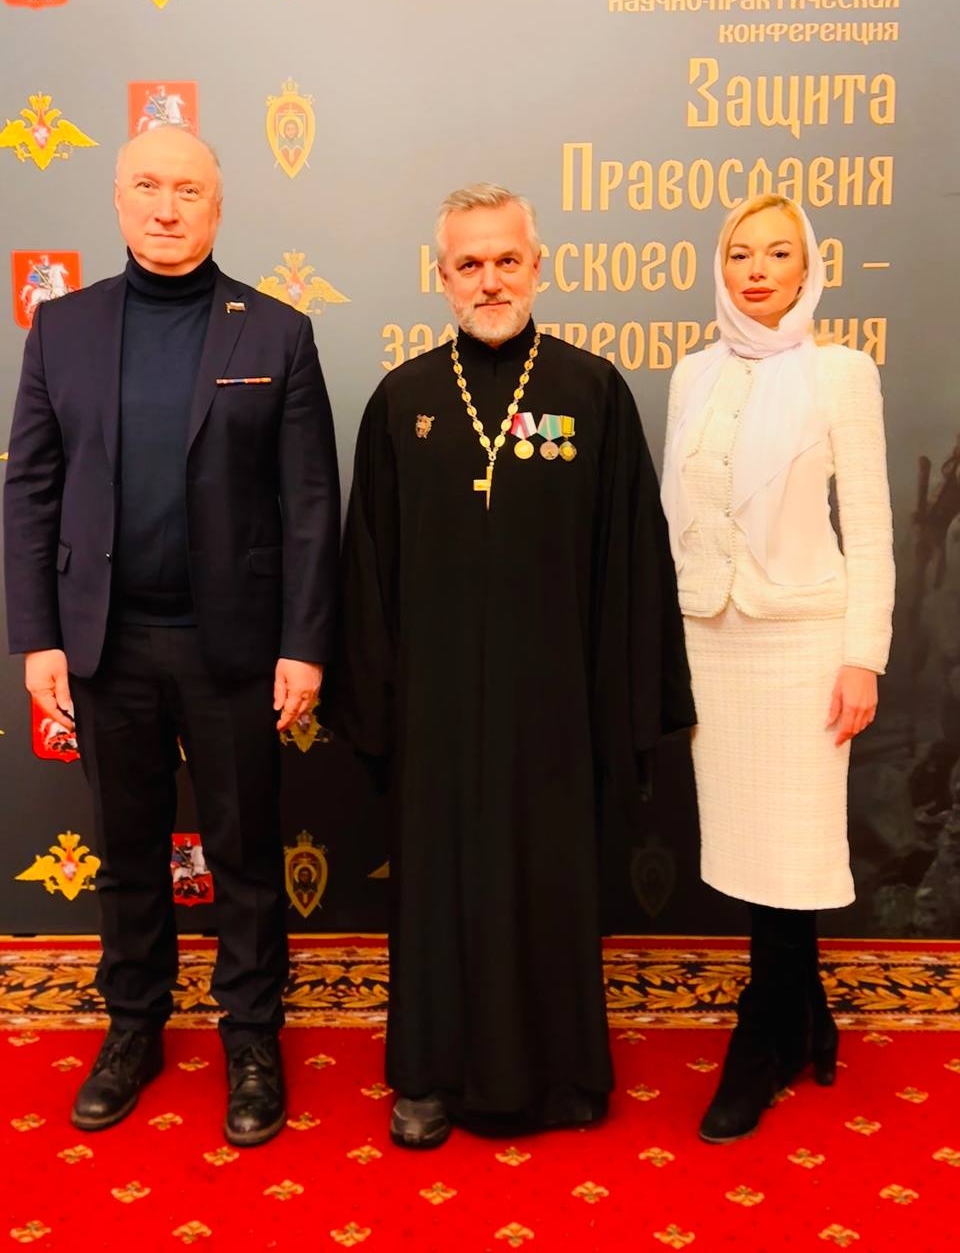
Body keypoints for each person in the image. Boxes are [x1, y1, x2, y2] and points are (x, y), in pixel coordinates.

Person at [326, 183, 694, 1148]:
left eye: (506, 260)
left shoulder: (592, 390)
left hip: (556, 706)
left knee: (551, 880)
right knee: (438, 889)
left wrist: (623, 707)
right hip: (437, 713)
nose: (489, 281)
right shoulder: (402, 399)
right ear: (440, 276)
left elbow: (631, 562)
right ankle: (428, 1076)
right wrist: (380, 709)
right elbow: (367, 570)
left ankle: (563, 1074)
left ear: (539, 265)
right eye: (469, 264)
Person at [3, 126, 340, 1146]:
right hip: (104, 643)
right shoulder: (61, 328)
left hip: (232, 647)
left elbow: (309, 506)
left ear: (217, 205)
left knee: (244, 854)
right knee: (127, 853)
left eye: (187, 189)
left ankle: (252, 1037)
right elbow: (31, 491)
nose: (165, 206)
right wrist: (38, 635)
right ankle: (134, 1027)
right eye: (147, 185)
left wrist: (305, 643)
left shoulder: (276, 333)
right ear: (117, 199)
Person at [660, 194, 895, 1143]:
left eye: (778, 254)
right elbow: (681, 516)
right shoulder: (693, 374)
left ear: (808, 271)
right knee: (746, 846)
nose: (757, 270)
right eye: (740, 254)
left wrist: (862, 657)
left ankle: (765, 1032)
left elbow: (870, 526)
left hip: (804, 642)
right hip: (713, 639)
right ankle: (807, 1014)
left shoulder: (843, 373)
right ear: (722, 270)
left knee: (793, 847)